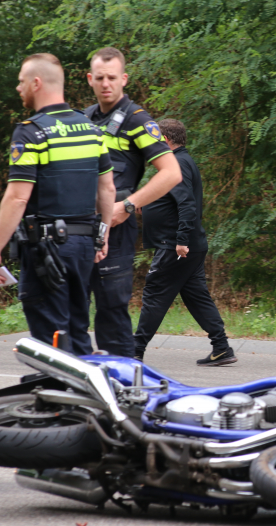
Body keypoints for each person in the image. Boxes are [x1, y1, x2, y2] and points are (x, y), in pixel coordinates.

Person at [0, 53, 116, 356]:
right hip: (83, 247)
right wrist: (102, 235)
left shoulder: (31, 132)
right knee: (77, 331)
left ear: (36, 83)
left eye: (21, 82)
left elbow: (18, 197)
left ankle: (57, 400)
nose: (18, 88)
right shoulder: (92, 129)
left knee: (51, 343)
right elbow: (107, 188)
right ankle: (88, 400)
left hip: (46, 252)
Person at [84, 47, 182, 357]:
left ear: (124, 79)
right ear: (90, 79)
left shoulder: (136, 119)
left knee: (112, 314)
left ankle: (124, 394)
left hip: (115, 228)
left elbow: (171, 173)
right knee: (71, 311)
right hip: (77, 229)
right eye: (99, 77)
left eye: (112, 77)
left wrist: (127, 206)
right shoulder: (83, 119)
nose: (105, 84)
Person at [133, 119, 237, 366]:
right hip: (191, 244)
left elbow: (187, 204)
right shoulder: (183, 161)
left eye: (156, 140)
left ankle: (134, 351)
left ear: (165, 140)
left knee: (155, 294)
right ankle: (221, 348)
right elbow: (174, 201)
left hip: (177, 247)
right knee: (197, 296)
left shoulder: (177, 163)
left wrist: (180, 240)